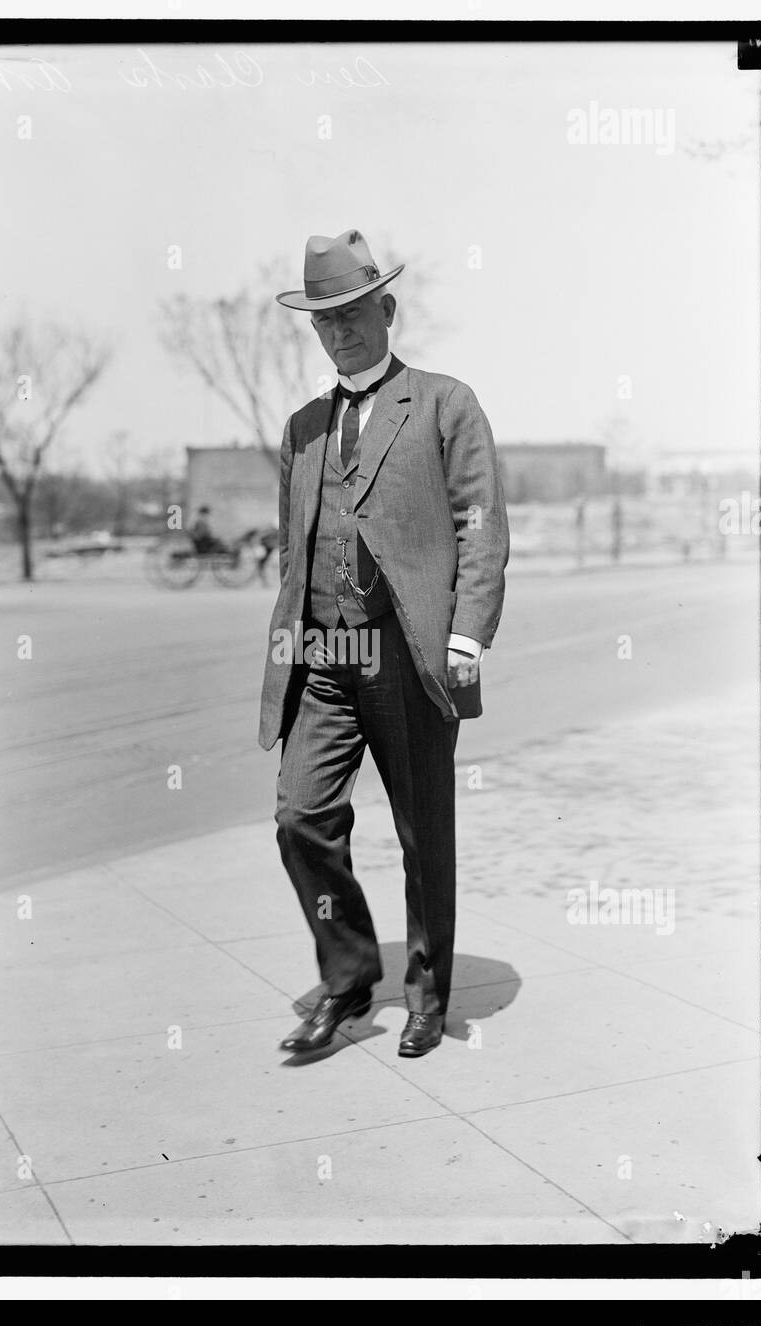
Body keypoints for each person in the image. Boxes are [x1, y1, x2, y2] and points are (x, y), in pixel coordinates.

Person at [258, 229, 509, 1058]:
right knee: (301, 816)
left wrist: (466, 634)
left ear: (387, 309)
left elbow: (481, 528)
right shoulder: (300, 430)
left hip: (410, 655)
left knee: (420, 833)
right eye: (324, 321)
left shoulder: (444, 403)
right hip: (326, 664)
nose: (339, 332)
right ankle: (349, 978)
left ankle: (429, 995)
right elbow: (296, 552)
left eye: (354, 314)